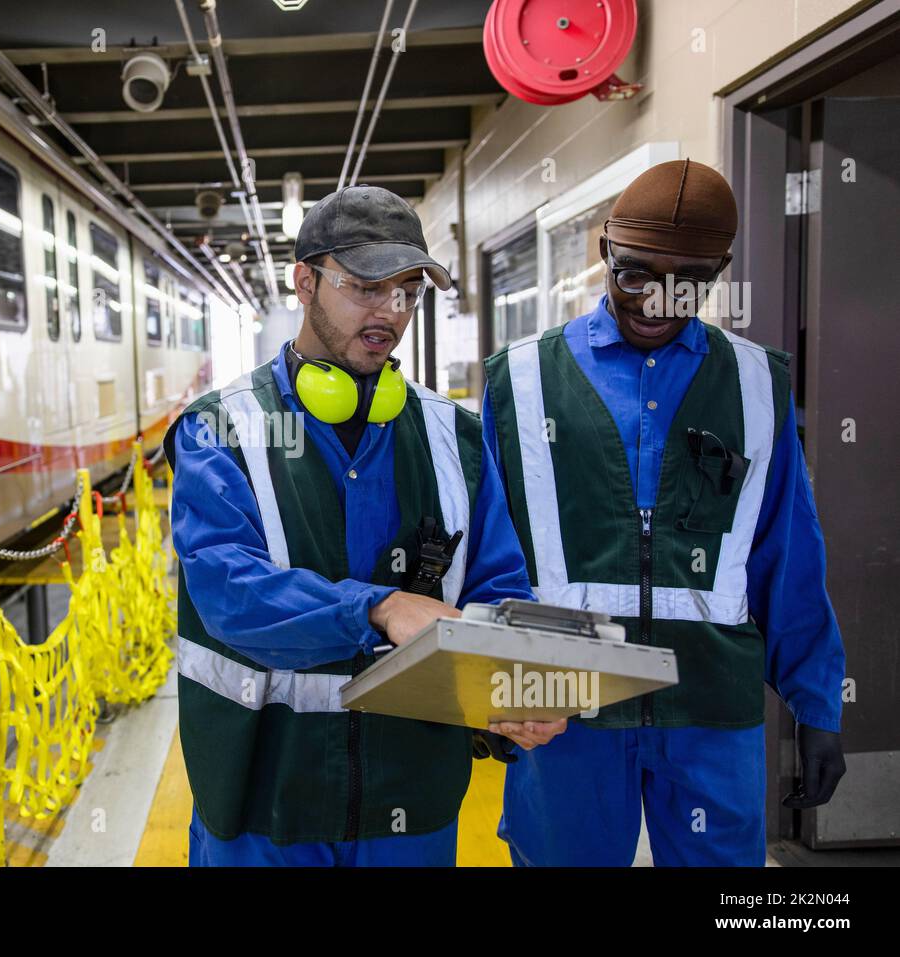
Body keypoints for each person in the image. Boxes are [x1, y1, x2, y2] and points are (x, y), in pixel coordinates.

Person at [164, 185, 565, 867]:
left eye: (408, 291)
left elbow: (500, 590)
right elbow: (229, 591)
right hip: (264, 810)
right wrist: (377, 605)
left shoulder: (455, 439)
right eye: (366, 287)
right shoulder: (223, 431)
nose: (391, 312)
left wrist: (511, 692)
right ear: (304, 280)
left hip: (411, 806)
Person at [481, 159, 847, 866]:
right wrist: (488, 693)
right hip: (560, 703)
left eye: (688, 282)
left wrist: (816, 704)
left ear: (719, 272)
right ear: (605, 255)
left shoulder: (756, 384)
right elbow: (488, 557)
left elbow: (789, 554)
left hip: (710, 706)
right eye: (635, 275)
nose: (656, 301)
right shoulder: (519, 380)